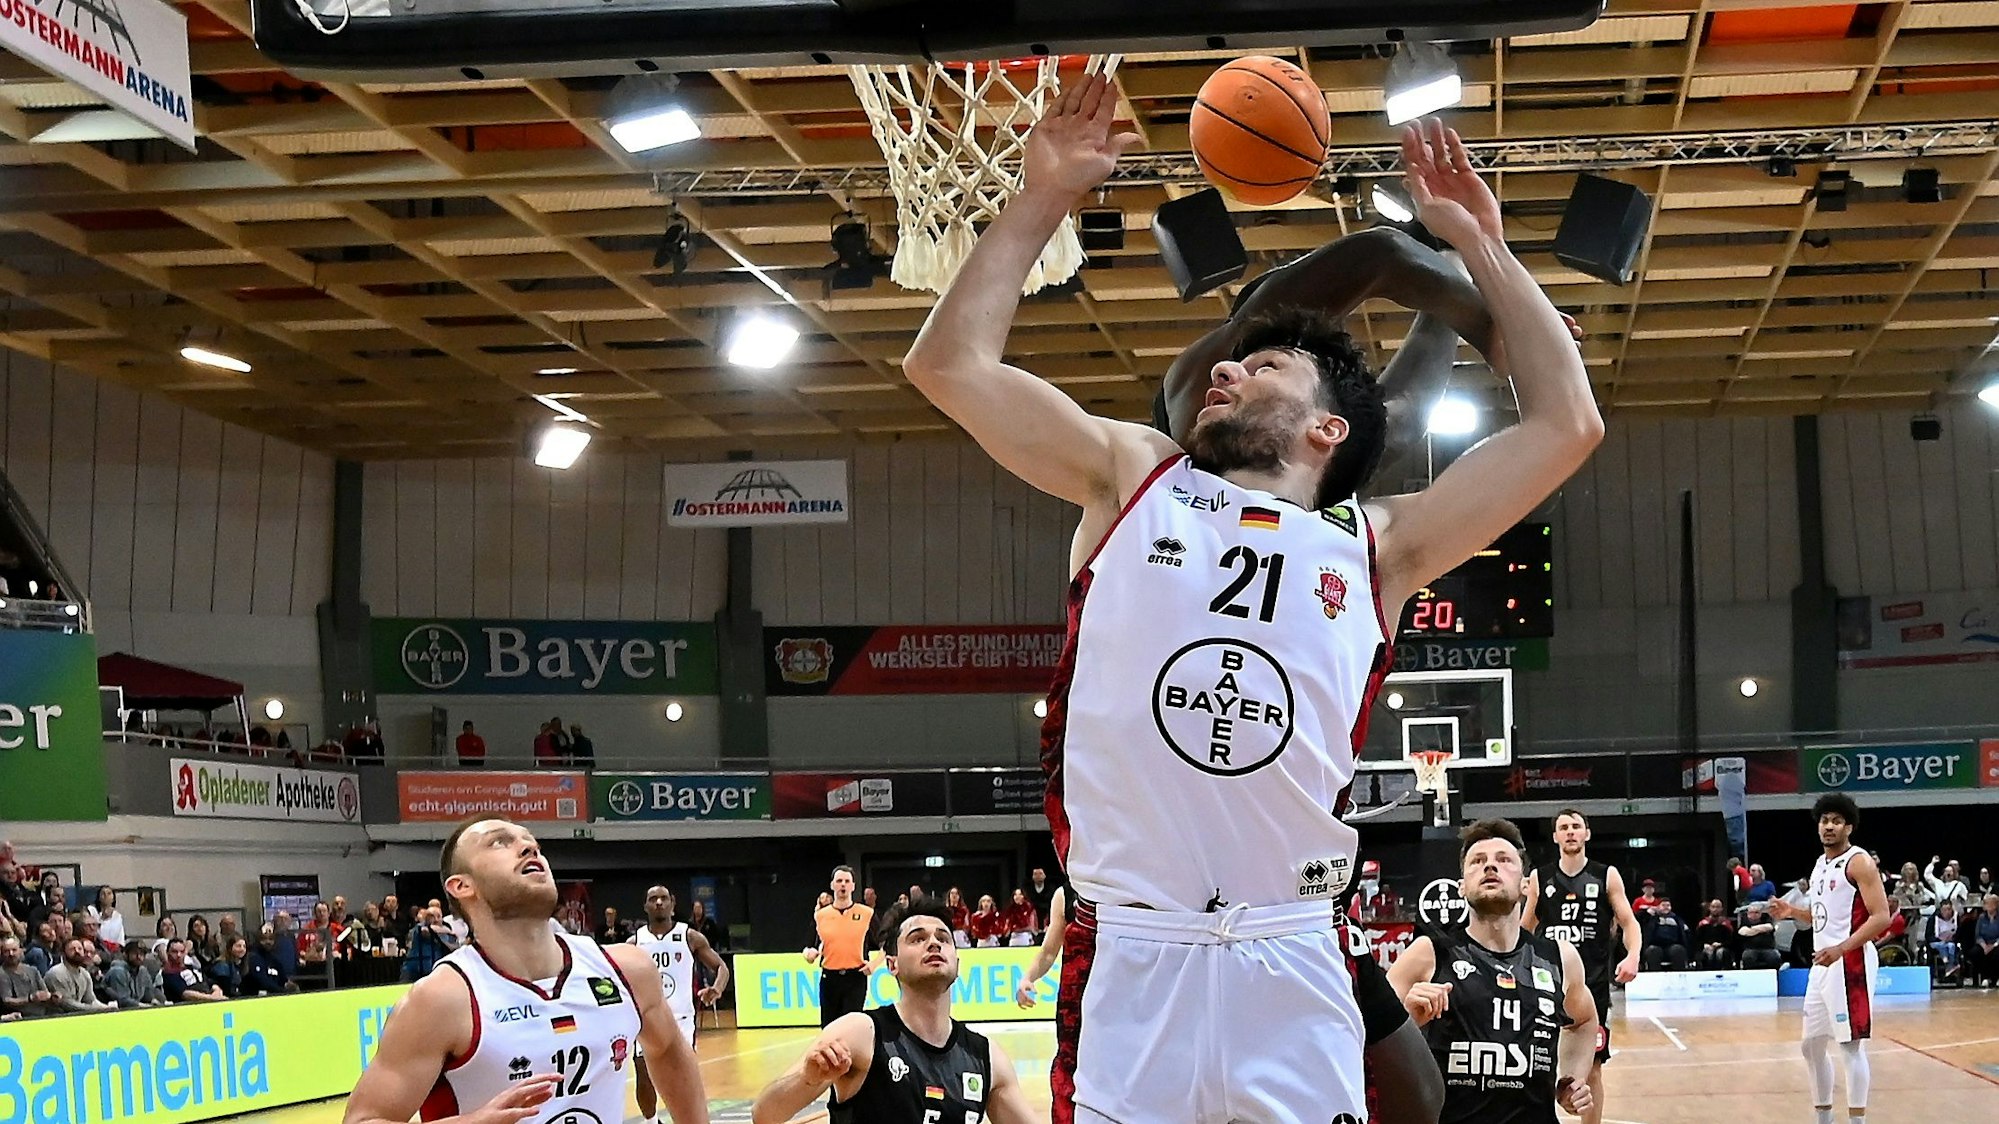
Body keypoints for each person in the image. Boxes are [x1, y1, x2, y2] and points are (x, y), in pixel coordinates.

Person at [899, 73, 1601, 1121]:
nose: (1224, 375)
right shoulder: (1133, 473)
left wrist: (1483, 246)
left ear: (1327, 430)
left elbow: (1566, 424)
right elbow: (947, 365)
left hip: (1293, 951)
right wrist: (1043, 195)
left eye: (1261, 368)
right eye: (1230, 365)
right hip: (1133, 950)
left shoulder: (1382, 544)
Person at [342, 818, 709, 1124]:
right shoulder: (441, 1000)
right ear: (462, 885)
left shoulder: (627, 969)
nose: (529, 848)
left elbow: (669, 1052)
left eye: (532, 842)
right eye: (499, 843)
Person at [1387, 819, 1597, 1124]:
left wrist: (1570, 1079)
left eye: (1503, 860)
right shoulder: (1429, 953)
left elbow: (1584, 1022)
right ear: (1461, 886)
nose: (1490, 867)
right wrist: (1409, 1024)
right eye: (1477, 861)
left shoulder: (1559, 957)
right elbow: (1371, 1038)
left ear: (1525, 884)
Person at [752, 904, 1037, 1124]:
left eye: (943, 938)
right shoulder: (860, 1033)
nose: (934, 943)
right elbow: (764, 1114)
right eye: (917, 938)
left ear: (957, 963)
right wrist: (807, 1079)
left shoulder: (986, 1057)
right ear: (892, 964)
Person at [1761, 794, 1893, 1124]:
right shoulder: (1820, 864)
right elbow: (1821, 918)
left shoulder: (1859, 862)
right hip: (1824, 962)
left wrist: (1842, 948)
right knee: (1811, 1045)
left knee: (1850, 1046)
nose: (1829, 826)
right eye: (1824, 820)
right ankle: (1824, 1117)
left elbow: (1881, 917)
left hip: (1851, 962)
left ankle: (1857, 1120)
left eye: (1836, 820)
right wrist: (1791, 912)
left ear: (1848, 826)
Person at [1522, 808, 1642, 1124]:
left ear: (1587, 833)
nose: (1571, 832)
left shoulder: (1606, 875)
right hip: (1546, 986)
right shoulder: (1539, 877)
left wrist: (1633, 955)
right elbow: (1522, 931)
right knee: (1538, 1065)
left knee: (1591, 1071)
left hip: (1593, 987)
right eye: (1564, 827)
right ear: (1555, 837)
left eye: (1576, 826)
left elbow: (1629, 922)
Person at [632, 887, 731, 1124]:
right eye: (652, 899)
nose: (658, 903)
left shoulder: (690, 936)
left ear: (672, 904)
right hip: (646, 1019)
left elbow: (721, 967)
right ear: (645, 906)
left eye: (663, 898)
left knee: (682, 1079)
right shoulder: (634, 942)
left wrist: (716, 989)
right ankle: (651, 1121)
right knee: (643, 1075)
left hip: (681, 1019)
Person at [804, 866, 876, 1027]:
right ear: (832, 885)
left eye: (846, 881)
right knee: (829, 1027)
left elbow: (887, 942)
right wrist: (809, 953)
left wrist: (874, 964)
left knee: (851, 1027)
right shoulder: (820, 916)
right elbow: (808, 946)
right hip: (829, 978)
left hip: (855, 977)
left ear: (853, 886)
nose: (843, 884)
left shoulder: (866, 913)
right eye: (839, 881)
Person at [399, 906, 459, 982]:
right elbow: (429, 930)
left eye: (438, 916)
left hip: (436, 972)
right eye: (432, 916)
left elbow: (454, 947)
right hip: (413, 971)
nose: (436, 919)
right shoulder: (419, 929)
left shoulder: (447, 932)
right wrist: (447, 932)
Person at [0, 935, 55, 1018]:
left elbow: (44, 992)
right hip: (19, 1017)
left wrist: (52, 996)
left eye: (14, 950)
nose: (11, 954)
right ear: (2, 954)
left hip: (41, 1015)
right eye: (6, 951)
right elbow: (6, 1000)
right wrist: (30, 998)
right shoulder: (2, 973)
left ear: (21, 950)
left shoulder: (33, 970)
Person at [105, 938, 167, 1008]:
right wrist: (142, 1005)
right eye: (135, 953)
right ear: (125, 954)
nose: (139, 957)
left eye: (142, 954)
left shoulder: (142, 971)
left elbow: (148, 994)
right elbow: (122, 1000)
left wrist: (154, 1001)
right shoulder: (117, 971)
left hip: (135, 1009)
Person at [249, 924, 300, 993]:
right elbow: (263, 981)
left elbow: (284, 980)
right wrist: (282, 991)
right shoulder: (253, 957)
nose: (268, 942)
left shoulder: (274, 960)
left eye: (271, 939)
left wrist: (291, 986)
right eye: (264, 939)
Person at [1693, 900, 1737, 969]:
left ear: (1722, 908)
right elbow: (1697, 940)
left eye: (1718, 907)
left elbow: (1731, 941)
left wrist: (1720, 944)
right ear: (1709, 908)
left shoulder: (1726, 924)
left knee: (1721, 953)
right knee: (1703, 955)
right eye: (1713, 907)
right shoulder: (1703, 924)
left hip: (1722, 948)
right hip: (1706, 947)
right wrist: (1704, 945)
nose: (1715, 909)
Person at [1972, 893, 1999, 986]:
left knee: (1996, 954)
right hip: (1984, 943)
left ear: (1995, 905)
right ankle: (1984, 977)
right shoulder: (1982, 917)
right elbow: (1978, 935)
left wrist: (1993, 945)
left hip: (1996, 944)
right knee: (1975, 953)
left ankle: (1995, 978)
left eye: (1989, 903)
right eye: (1986, 903)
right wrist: (1984, 946)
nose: (1986, 906)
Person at [87, 886, 125, 950]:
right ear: (98, 897)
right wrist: (103, 918)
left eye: (109, 893)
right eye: (103, 893)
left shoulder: (118, 916)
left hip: (113, 949)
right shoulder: (91, 910)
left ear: (113, 898)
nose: (106, 896)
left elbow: (120, 940)